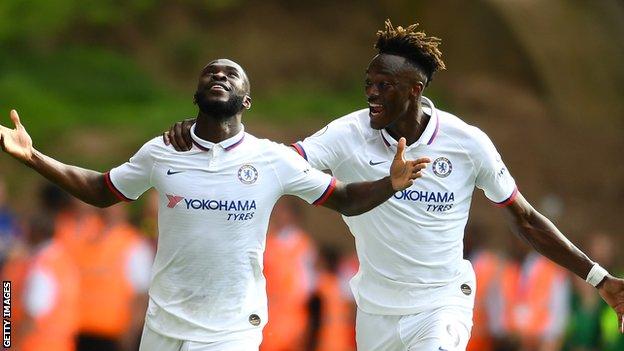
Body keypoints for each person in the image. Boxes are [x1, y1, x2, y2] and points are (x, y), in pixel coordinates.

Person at [164, 21, 624, 350]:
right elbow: (276, 164)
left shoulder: (466, 143)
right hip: (377, 312)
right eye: (368, 84)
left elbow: (525, 218)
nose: (371, 94)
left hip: (441, 305)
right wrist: (209, 135)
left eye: (384, 84)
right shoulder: (348, 132)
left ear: (415, 90)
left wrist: (599, 279)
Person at [0, 58, 428, 350]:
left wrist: (389, 183)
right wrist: (33, 156)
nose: (219, 76)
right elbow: (99, 189)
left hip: (231, 329)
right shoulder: (162, 151)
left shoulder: (271, 159)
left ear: (246, 101)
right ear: (195, 96)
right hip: (163, 325)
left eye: (231, 75)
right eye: (210, 73)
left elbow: (345, 199)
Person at [262, 198, 317, 351]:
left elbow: (309, 282)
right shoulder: (267, 242)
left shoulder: (303, 243)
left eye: (283, 212)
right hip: (269, 311)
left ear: (293, 216)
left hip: (294, 312)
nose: (279, 216)